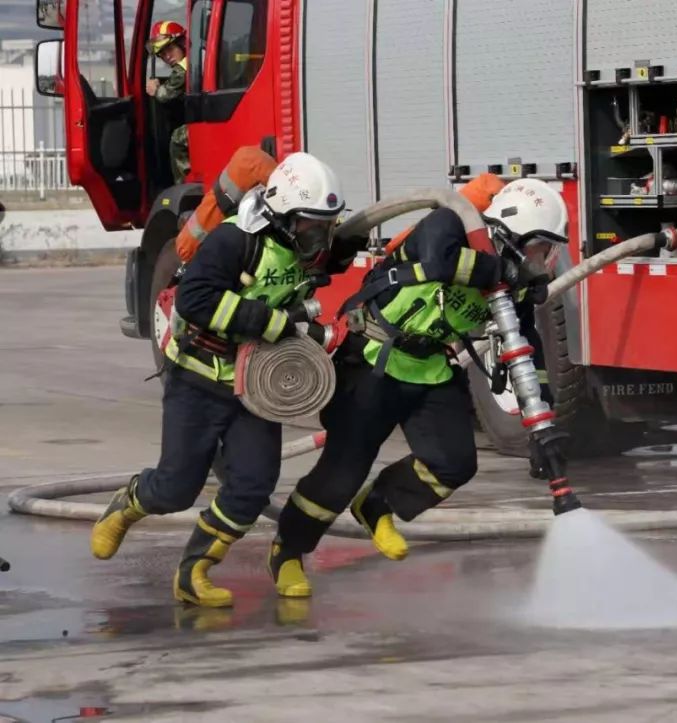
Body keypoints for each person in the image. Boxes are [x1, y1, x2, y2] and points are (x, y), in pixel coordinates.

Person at [267, 178, 566, 598]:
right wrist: (502, 270)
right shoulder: (448, 222)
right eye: (540, 249)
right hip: (371, 358)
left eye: (549, 253)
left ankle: (378, 505)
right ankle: (288, 551)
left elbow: (525, 345)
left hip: (429, 367)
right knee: (340, 475)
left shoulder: (509, 280)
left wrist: (542, 420)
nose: (544, 261)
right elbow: (439, 261)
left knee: (454, 462)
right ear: (511, 233)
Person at [90, 152, 346, 608]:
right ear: (284, 216)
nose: (319, 236)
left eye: (325, 225)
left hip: (253, 388)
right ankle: (129, 503)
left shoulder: (308, 248)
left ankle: (194, 572)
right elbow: (195, 301)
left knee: (251, 487)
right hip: (198, 379)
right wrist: (272, 322)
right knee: (176, 487)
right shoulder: (234, 242)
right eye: (311, 225)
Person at [145, 20, 190, 183]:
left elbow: (165, 95)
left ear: (182, 43)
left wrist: (155, 89)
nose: (167, 57)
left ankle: (184, 183)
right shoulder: (194, 61)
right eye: (162, 54)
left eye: (169, 49)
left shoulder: (182, 69)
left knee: (178, 138)